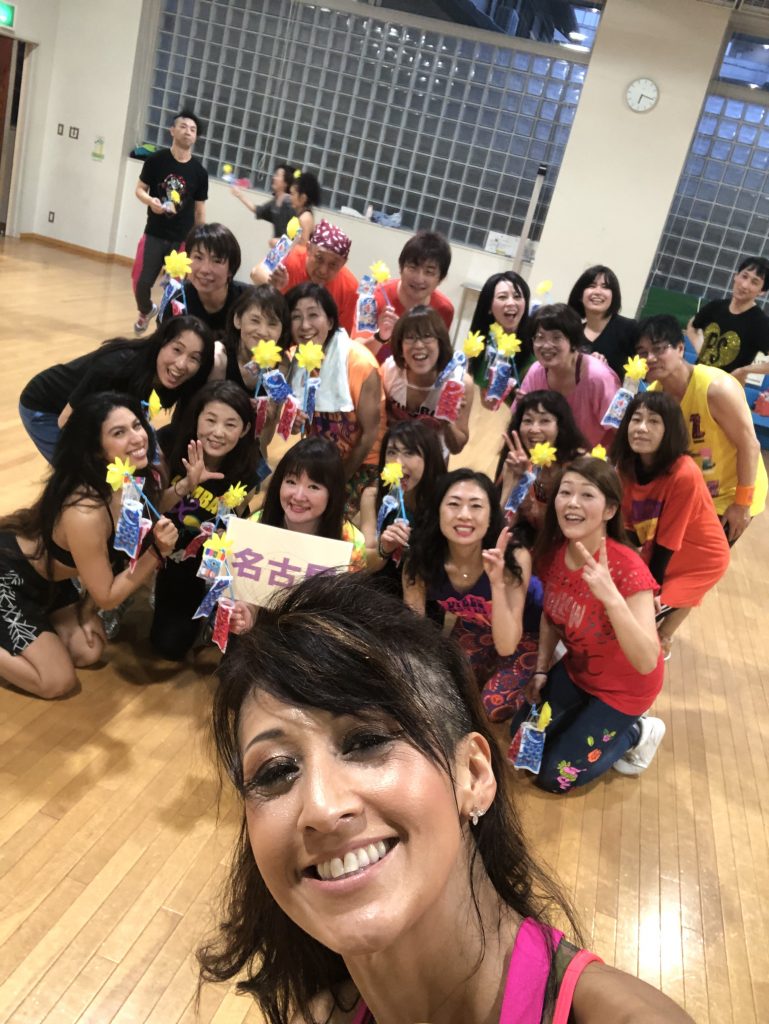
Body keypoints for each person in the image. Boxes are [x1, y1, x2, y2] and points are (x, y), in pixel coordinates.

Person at [198, 571, 694, 1024]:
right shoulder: (320, 1009)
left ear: (473, 773)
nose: (323, 808)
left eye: (367, 741)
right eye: (277, 771)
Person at [0, 393, 178, 699]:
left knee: (88, 651)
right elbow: (107, 597)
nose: (137, 437)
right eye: (119, 432)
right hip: (9, 575)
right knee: (56, 681)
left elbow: (148, 511)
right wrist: (157, 552)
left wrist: (186, 486)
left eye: (137, 425)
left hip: (51, 582)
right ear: (96, 449)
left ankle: (32, 630)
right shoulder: (84, 511)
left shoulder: (125, 479)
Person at [519, 456, 665, 789]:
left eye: (587, 494)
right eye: (565, 492)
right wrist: (541, 670)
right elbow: (550, 617)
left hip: (626, 690)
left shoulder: (628, 569)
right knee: (524, 741)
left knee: (555, 777)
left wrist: (612, 598)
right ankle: (583, 722)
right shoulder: (553, 553)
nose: (572, 502)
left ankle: (638, 732)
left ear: (610, 510)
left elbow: (646, 661)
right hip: (579, 673)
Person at [403, 469, 542, 724]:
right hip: (473, 626)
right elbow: (415, 633)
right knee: (446, 688)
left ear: (491, 517)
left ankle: (546, 672)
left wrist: (496, 582)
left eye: (476, 506)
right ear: (438, 511)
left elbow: (507, 645)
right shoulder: (422, 557)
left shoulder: (513, 557)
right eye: (453, 504)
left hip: (525, 634)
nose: (464, 515)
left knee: (491, 707)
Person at [613, 391, 730, 660]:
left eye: (654, 421)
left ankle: (655, 649)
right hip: (661, 547)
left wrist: (650, 591)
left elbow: (666, 543)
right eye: (636, 419)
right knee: (628, 607)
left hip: (700, 557)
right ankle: (659, 640)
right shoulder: (626, 466)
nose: (641, 427)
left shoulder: (684, 473)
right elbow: (629, 529)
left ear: (670, 431)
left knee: (642, 616)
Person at [150, 381, 261, 660]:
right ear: (197, 417)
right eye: (210, 420)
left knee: (175, 645)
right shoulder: (170, 443)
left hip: (201, 559)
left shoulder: (248, 465)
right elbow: (149, 508)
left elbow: (237, 520)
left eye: (230, 424)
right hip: (159, 546)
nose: (218, 432)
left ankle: (206, 608)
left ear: (245, 429)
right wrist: (186, 484)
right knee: (165, 646)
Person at [638, 313, 767, 543]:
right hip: (692, 491)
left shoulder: (716, 388)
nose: (650, 358)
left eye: (658, 349)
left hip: (731, 495)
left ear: (680, 348)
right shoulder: (653, 397)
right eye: (642, 353)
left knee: (701, 561)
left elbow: (749, 444)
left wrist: (741, 504)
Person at [19, 316, 215, 462]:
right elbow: (66, 422)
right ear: (161, 344)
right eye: (177, 349)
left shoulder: (176, 381)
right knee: (84, 477)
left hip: (94, 413)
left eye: (194, 358)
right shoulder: (115, 368)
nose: (181, 364)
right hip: (47, 408)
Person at [229, 438, 366, 635]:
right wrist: (247, 613)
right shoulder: (256, 525)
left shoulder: (351, 542)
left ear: (332, 493)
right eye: (291, 482)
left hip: (316, 639)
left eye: (314, 487)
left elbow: (346, 612)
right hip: (263, 634)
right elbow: (249, 592)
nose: (299, 496)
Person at [284, 284, 382, 510]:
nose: (304, 325)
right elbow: (296, 427)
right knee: (287, 505)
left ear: (329, 321)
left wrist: (339, 479)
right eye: (296, 317)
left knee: (327, 514)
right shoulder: (295, 360)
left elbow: (370, 434)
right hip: (318, 458)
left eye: (313, 315)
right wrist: (294, 422)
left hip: (363, 462)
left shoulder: (360, 363)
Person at [132, 109, 208, 334]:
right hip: (154, 233)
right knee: (140, 282)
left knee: (175, 290)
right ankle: (146, 310)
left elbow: (199, 211)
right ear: (172, 130)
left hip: (182, 240)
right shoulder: (156, 161)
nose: (188, 132)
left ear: (196, 137)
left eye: (193, 129)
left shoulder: (199, 172)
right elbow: (139, 189)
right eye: (183, 127)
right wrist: (150, 201)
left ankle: (166, 331)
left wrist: (199, 243)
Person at [518, 304, 620, 448]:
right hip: (547, 454)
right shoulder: (536, 371)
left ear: (573, 340)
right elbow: (520, 419)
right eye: (540, 337)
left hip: (594, 457)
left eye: (556, 337)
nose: (546, 345)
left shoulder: (598, 377)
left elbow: (620, 430)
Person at [382, 305, 474, 458]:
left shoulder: (459, 383)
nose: (419, 345)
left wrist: (447, 420)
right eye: (410, 337)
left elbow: (457, 448)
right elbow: (379, 421)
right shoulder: (390, 371)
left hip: (433, 459)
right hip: (393, 456)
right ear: (400, 346)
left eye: (427, 336)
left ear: (440, 343)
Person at [359, 420, 445, 579]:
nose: (398, 462)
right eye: (392, 452)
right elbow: (365, 563)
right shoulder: (372, 496)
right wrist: (385, 548)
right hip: (381, 583)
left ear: (429, 458)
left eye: (409, 453)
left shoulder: (445, 501)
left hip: (427, 582)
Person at [495, 390, 587, 537]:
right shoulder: (515, 463)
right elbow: (503, 527)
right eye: (528, 421)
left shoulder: (580, 464)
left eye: (544, 421)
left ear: (561, 426)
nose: (534, 429)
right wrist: (518, 483)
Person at [251, 220, 359, 336]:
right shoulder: (288, 252)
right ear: (308, 248)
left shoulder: (350, 288)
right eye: (319, 258)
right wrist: (273, 283)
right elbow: (256, 272)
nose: (323, 270)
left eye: (333, 265)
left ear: (343, 264)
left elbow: (341, 336)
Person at [371, 231, 454, 364]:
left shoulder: (444, 310)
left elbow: (436, 360)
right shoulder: (375, 297)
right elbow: (355, 353)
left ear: (441, 278)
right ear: (401, 268)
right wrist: (381, 337)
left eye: (429, 272)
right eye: (413, 268)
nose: (419, 279)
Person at [686, 256, 769, 382]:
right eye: (744, 276)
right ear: (736, 276)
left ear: (762, 291)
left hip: (725, 389)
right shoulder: (716, 306)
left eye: (754, 282)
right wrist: (701, 350)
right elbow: (692, 325)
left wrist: (744, 370)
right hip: (696, 381)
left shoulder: (760, 322)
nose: (744, 285)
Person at [158, 223, 249, 336]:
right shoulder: (177, 300)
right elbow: (163, 341)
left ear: (230, 269)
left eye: (217, 260)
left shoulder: (247, 300)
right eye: (198, 257)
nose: (205, 269)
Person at [215, 285, 291, 398]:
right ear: (237, 320)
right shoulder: (218, 356)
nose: (262, 332)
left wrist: (271, 407)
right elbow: (209, 403)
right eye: (255, 321)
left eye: (272, 324)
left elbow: (279, 406)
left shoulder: (282, 363)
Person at [567, 265, 639, 379]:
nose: (598, 292)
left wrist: (604, 371)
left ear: (613, 296)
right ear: (580, 295)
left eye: (605, 287)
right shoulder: (572, 335)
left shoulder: (630, 329)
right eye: (591, 286)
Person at [468, 270, 532, 395]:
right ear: (489, 307)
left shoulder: (534, 349)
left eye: (517, 296)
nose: (511, 303)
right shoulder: (478, 345)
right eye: (502, 297)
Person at [231, 163, 295, 245]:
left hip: (289, 249)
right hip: (279, 248)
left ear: (286, 182)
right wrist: (239, 195)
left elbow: (295, 235)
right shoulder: (275, 202)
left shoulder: (289, 203)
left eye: (278, 175)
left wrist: (280, 242)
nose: (274, 177)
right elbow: (257, 209)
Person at [288, 169, 321, 242]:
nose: (290, 197)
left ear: (303, 198)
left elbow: (302, 245)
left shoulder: (305, 218)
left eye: (292, 194)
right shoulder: (302, 215)